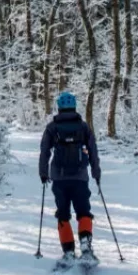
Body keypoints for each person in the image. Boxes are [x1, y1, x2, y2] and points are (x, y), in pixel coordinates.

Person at [38, 91, 101, 263]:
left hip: (59, 178)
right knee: (83, 211)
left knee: (63, 213)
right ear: (74, 107)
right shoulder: (83, 127)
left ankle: (68, 252)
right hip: (80, 177)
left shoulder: (52, 127)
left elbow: (44, 151)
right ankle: (86, 245)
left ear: (59, 107)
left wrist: (43, 173)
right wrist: (96, 172)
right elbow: (93, 150)